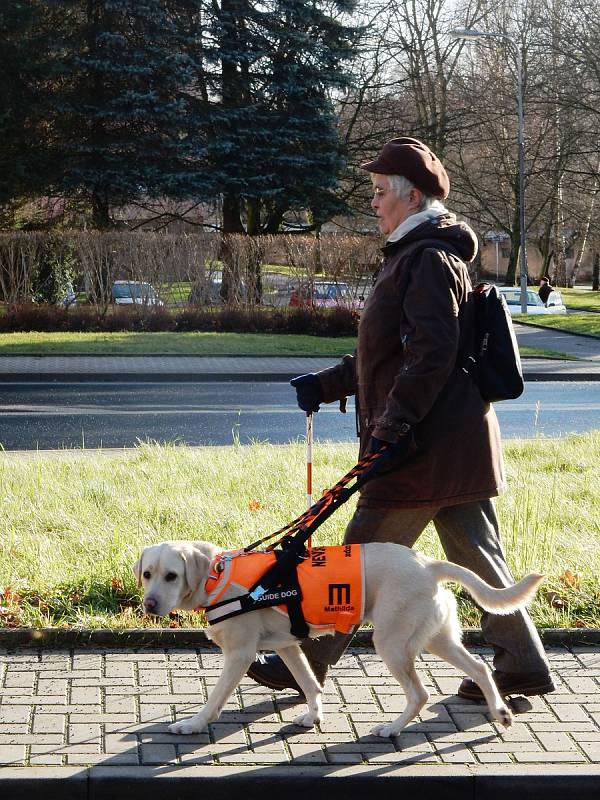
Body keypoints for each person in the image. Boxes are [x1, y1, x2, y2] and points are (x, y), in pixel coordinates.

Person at [247, 136, 554, 701]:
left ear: (411, 197)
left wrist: (392, 425)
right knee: (478, 559)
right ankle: (522, 663)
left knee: (356, 560)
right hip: (449, 447)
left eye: (380, 192)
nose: (373, 203)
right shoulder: (418, 254)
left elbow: (431, 353)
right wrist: (327, 383)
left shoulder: (428, 258)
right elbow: (384, 354)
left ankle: (305, 665)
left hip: (419, 450)